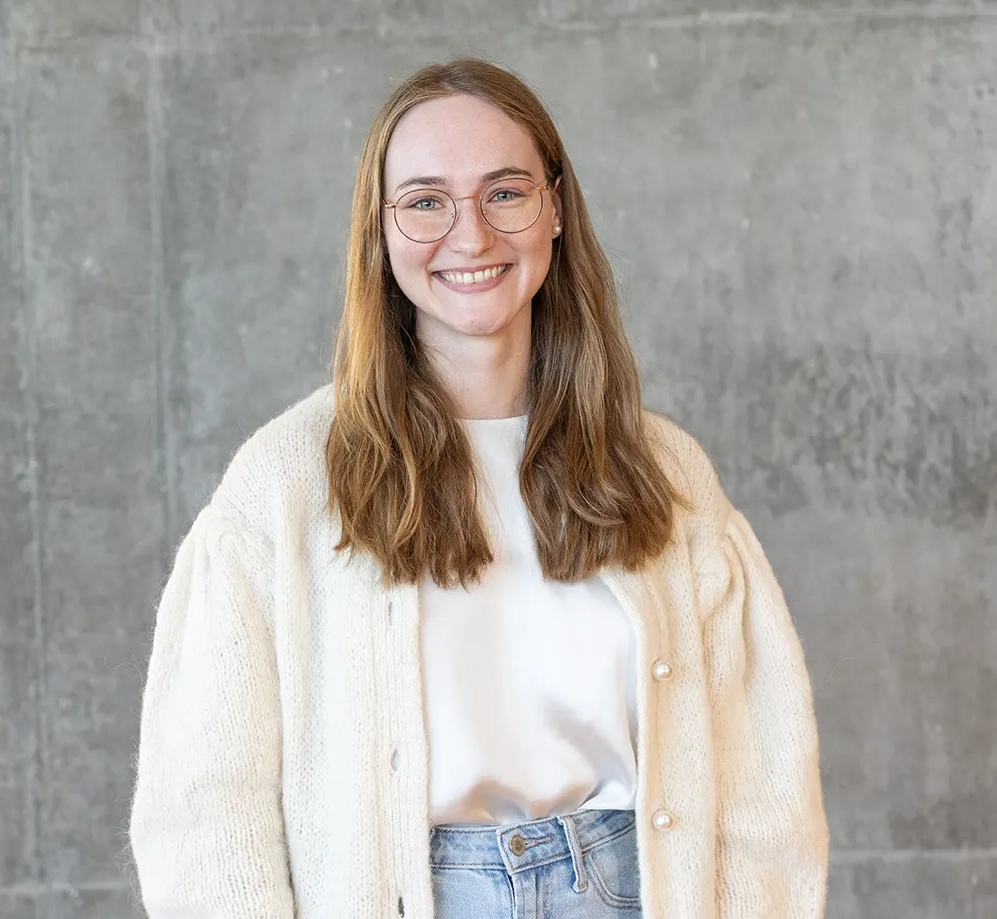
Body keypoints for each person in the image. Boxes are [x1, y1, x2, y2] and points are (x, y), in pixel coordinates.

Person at [127, 57, 828, 919]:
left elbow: (762, 778)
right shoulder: (283, 486)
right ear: (378, 232)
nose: (470, 236)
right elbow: (205, 808)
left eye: (505, 192)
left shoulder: (664, 471)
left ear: (556, 208)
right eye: (425, 201)